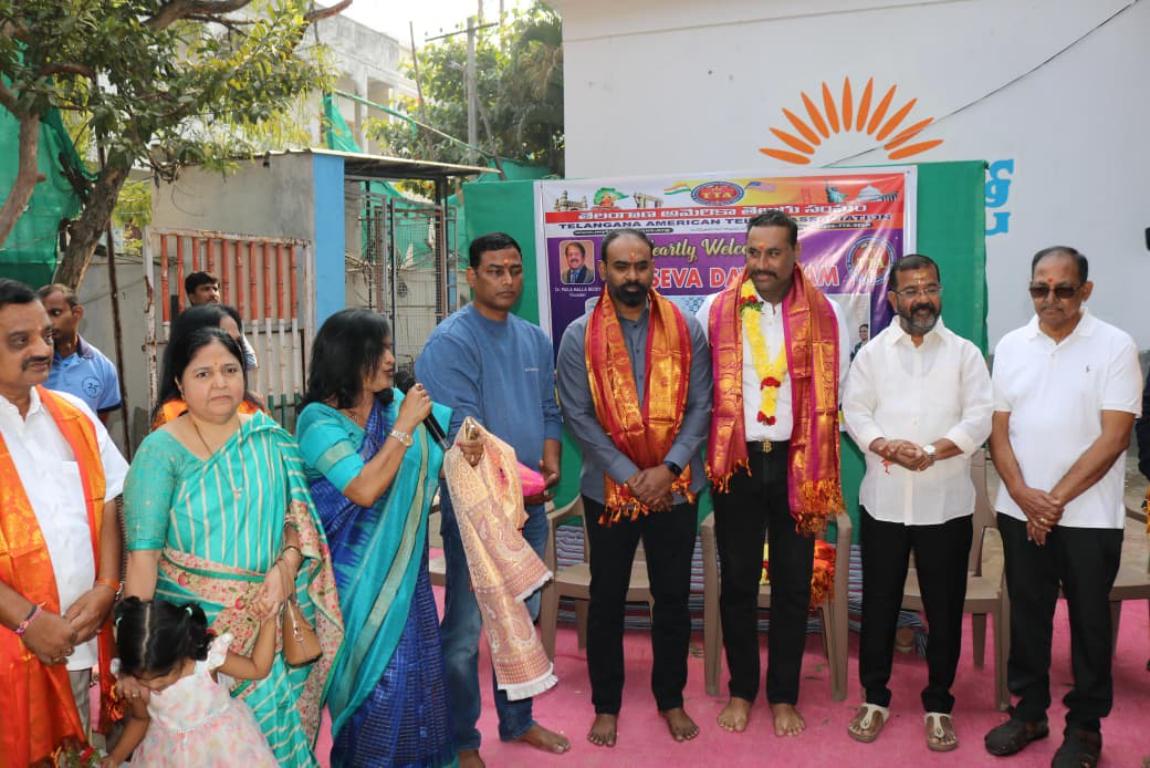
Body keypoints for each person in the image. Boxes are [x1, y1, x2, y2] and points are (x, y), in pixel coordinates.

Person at [121, 326, 343, 767]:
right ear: (180, 382)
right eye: (203, 374)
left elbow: (294, 521)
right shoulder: (160, 452)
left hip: (268, 621)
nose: (220, 383)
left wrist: (286, 568)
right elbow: (143, 559)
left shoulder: (269, 438)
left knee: (276, 747)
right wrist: (134, 656)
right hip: (194, 644)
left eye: (229, 370)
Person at [417, 231, 570, 767]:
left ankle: (518, 721)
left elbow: (549, 411)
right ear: (471, 276)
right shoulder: (450, 342)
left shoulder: (534, 339)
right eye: (495, 271)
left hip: (530, 508)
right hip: (476, 512)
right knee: (464, 632)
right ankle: (461, 739)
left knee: (521, 621)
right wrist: (522, 482)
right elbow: (465, 433)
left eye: (515, 270)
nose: (508, 280)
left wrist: (550, 458)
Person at [984, 246, 1140, 768]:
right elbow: (998, 431)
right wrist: (1022, 495)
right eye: (1039, 288)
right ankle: (1029, 712)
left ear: (1085, 291)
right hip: (1020, 509)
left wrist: (1051, 503)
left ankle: (1085, 728)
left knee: (1090, 623)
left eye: (1063, 289)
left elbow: (1115, 437)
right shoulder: (1011, 346)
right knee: (1028, 616)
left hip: (1089, 517)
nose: (1050, 298)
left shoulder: (1115, 346)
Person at [697, 209, 849, 737]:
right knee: (738, 582)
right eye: (753, 252)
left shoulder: (827, 314)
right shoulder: (715, 310)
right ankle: (742, 689)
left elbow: (834, 392)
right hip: (738, 462)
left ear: (795, 254)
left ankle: (783, 695)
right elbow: (703, 388)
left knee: (792, 583)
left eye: (773, 253)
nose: (761, 263)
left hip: (798, 463)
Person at [557, 229, 712, 747]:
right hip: (609, 490)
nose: (632, 276)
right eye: (621, 266)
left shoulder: (686, 328)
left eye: (641, 265)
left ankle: (671, 698)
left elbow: (701, 405)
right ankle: (607, 705)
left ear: (653, 269)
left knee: (672, 598)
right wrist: (631, 476)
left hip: (675, 488)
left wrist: (667, 469)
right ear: (603, 270)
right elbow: (577, 415)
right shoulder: (579, 336)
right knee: (607, 598)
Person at [842, 254, 993, 750]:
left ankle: (939, 705)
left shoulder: (965, 354)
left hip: (945, 505)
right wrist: (886, 446)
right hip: (884, 503)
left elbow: (979, 418)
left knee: (943, 609)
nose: (921, 299)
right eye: (911, 291)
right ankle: (875, 698)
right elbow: (854, 412)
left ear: (940, 292)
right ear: (893, 299)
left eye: (930, 288)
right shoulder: (871, 355)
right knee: (879, 604)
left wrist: (931, 451)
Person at [296, 309, 455, 768]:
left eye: (389, 348)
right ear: (348, 357)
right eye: (378, 350)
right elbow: (363, 489)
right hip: (351, 590)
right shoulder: (319, 421)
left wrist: (465, 453)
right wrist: (404, 427)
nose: (390, 359)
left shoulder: (395, 406)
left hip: (407, 581)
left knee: (420, 686)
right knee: (375, 695)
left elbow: (433, 464)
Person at [0, 278, 128, 765]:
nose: (40, 349)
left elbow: (110, 500)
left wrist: (107, 586)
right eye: (20, 340)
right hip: (12, 650)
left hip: (79, 642)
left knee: (77, 754)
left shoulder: (73, 414)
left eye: (45, 335)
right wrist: (28, 621)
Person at [102, 598, 279, 768]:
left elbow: (257, 669)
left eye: (162, 677)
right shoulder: (135, 681)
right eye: (144, 680)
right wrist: (116, 757)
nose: (153, 686)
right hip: (165, 757)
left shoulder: (207, 661)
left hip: (225, 753)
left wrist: (268, 621)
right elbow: (140, 719)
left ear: (181, 652)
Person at [151, 304, 264, 429]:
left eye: (237, 342)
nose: (235, 350)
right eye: (224, 340)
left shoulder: (253, 408)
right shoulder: (171, 415)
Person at [37, 283, 123, 424]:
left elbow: (99, 425)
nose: (48, 322)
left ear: (76, 313)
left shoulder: (102, 367)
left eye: (55, 313)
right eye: (42, 316)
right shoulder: (29, 365)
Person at [184, 271, 258, 370]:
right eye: (206, 289)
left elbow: (250, 360)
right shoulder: (185, 327)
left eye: (215, 289)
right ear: (192, 297)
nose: (213, 294)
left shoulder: (228, 322)